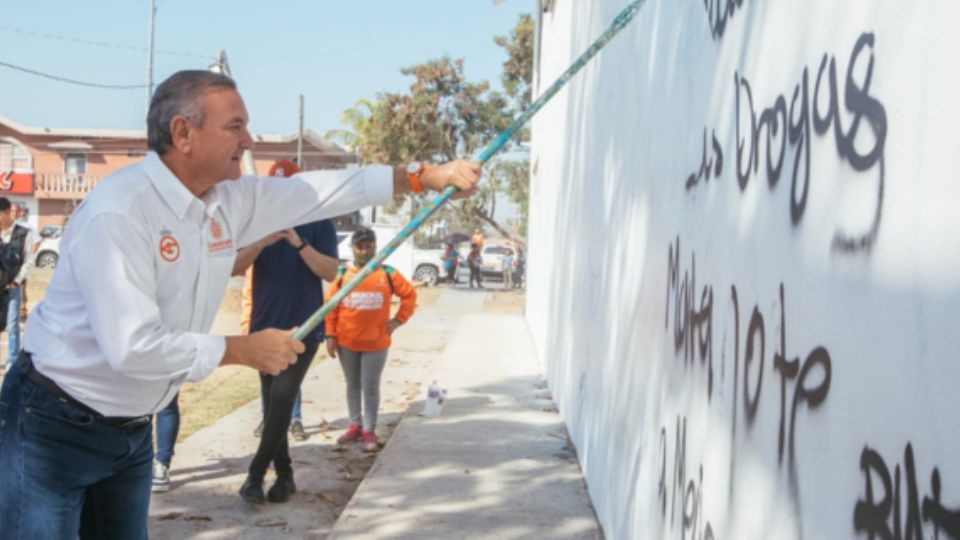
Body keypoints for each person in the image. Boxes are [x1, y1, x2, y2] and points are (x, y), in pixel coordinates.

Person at [0, 70, 480, 538]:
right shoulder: (120, 211)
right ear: (183, 133)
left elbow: (319, 191)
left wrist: (422, 177)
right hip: (52, 427)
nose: (248, 141)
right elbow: (132, 347)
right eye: (235, 127)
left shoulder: (225, 202)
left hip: (130, 431)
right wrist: (242, 349)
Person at [233, 159, 340, 504]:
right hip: (263, 330)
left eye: (288, 188)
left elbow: (330, 272)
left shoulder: (319, 222)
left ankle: (254, 477)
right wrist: (260, 242)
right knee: (273, 409)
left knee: (281, 398)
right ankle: (285, 476)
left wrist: (299, 243)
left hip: (303, 329)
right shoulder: (258, 222)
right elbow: (234, 267)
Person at [326, 226, 417, 452]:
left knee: (370, 386)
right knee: (352, 385)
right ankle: (354, 425)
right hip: (347, 343)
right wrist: (330, 335)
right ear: (352, 247)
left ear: (375, 247)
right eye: (360, 246)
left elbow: (410, 295)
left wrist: (398, 320)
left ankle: (369, 430)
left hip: (376, 343)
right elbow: (331, 307)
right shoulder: (342, 275)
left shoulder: (387, 273)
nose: (365, 250)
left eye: (369, 246)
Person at [0, 198, 32, 366]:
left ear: (7, 213)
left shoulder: (23, 233)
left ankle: (12, 360)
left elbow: (28, 260)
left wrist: (18, 280)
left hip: (12, 287)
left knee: (12, 325)